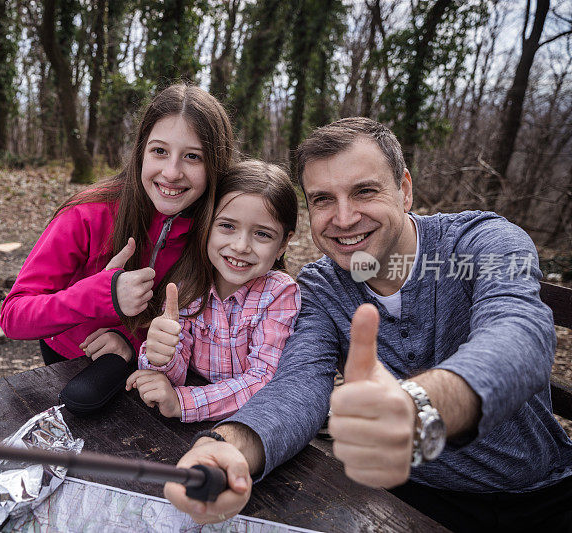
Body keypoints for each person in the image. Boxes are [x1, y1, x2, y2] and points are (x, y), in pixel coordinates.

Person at [164, 118, 572, 532]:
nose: (343, 218)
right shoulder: (321, 287)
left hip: (539, 492)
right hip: (405, 495)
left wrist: (419, 405)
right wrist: (228, 447)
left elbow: (520, 332)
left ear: (405, 190)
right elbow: (300, 383)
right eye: (323, 199)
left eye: (364, 191)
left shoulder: (481, 243)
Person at [0, 84, 234, 390]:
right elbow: (14, 316)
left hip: (153, 369)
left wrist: (132, 341)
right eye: (159, 151)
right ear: (141, 152)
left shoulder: (222, 227)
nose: (172, 172)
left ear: (215, 165)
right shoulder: (88, 213)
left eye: (192, 157)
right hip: (71, 359)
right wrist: (102, 294)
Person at [125, 161, 300, 422]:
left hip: (255, 426)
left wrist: (183, 402)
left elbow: (264, 380)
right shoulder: (187, 284)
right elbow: (177, 369)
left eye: (262, 234)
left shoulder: (279, 294)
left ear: (283, 243)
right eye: (227, 226)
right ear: (207, 224)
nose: (241, 246)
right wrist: (160, 357)